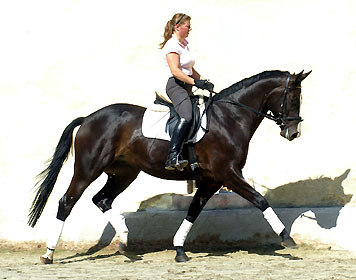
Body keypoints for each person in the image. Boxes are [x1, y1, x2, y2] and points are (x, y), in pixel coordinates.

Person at [159, 13, 214, 171]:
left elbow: (189, 69)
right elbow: (176, 71)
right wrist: (195, 82)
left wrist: (203, 80)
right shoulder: (172, 45)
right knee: (187, 116)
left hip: (187, 85)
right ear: (177, 27)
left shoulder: (184, 44)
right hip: (176, 86)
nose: (190, 29)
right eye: (187, 26)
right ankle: (173, 155)